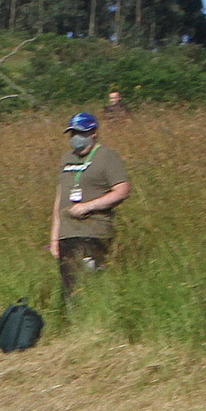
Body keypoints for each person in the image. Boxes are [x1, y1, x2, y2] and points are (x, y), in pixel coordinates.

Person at [48, 111, 131, 309]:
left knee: (90, 282)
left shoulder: (106, 156)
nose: (75, 137)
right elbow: (60, 197)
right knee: (69, 286)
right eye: (72, 133)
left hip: (93, 231)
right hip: (67, 233)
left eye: (80, 133)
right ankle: (73, 320)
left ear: (93, 133)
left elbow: (122, 191)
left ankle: (96, 317)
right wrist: (54, 237)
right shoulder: (66, 159)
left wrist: (88, 206)